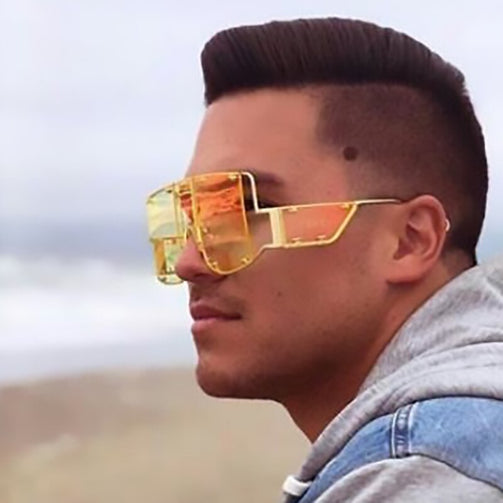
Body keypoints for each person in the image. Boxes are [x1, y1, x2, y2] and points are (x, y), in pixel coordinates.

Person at [146, 17, 503, 502]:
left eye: (250, 209)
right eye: (195, 219)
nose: (191, 261)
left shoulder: (428, 472)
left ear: (409, 241)